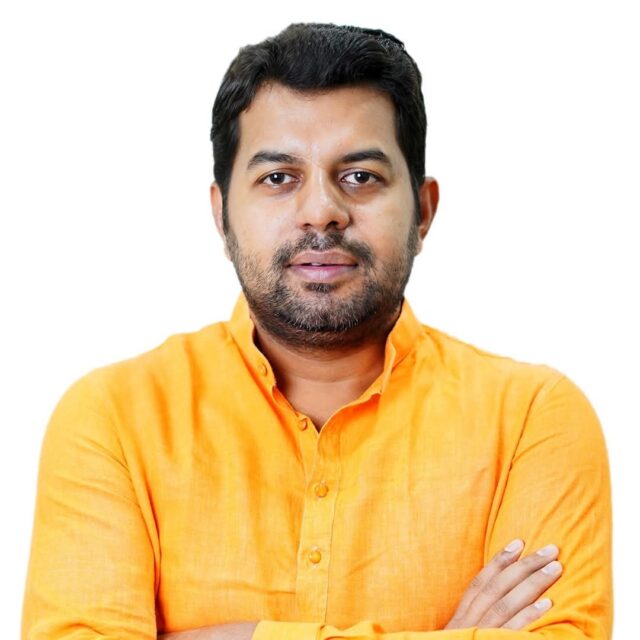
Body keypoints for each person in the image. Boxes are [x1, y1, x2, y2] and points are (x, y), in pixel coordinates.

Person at [21, 22, 612, 640]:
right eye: (279, 178)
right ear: (222, 215)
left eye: (360, 176)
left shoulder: (531, 418)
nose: (322, 211)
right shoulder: (114, 418)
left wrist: (234, 635)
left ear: (423, 211)